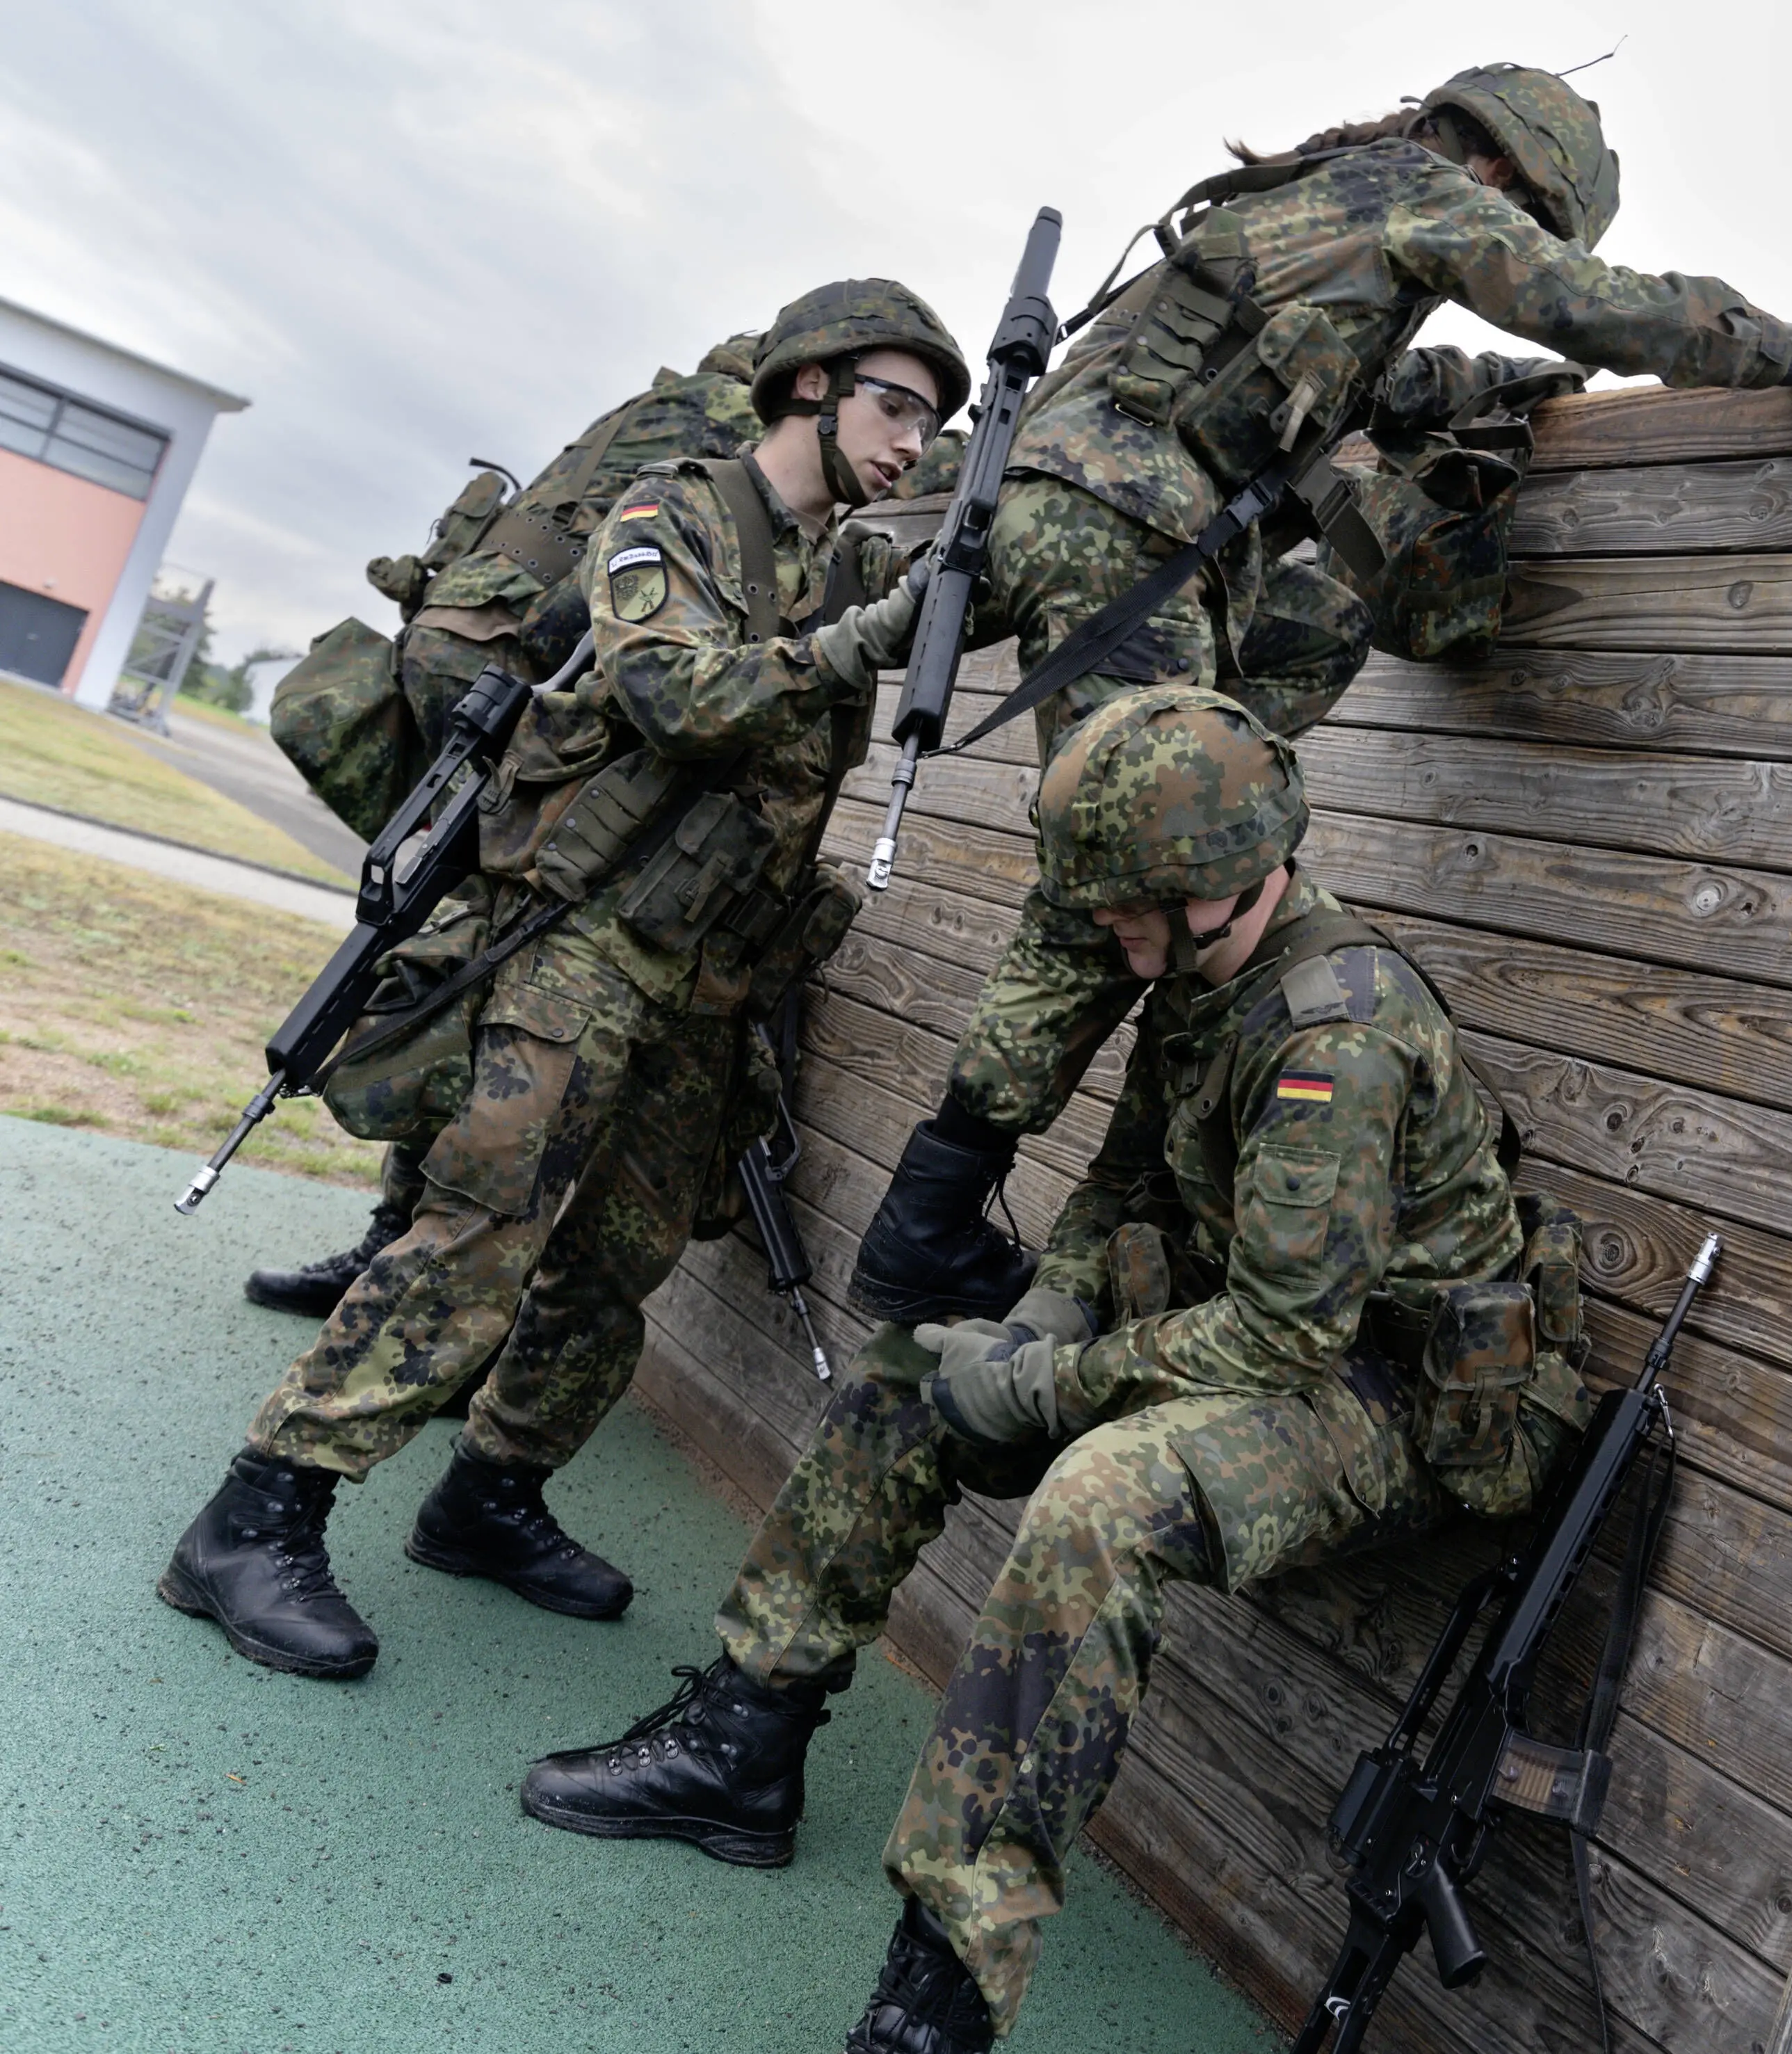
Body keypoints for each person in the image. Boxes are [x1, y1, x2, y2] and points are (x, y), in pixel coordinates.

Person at [523, 689, 1584, 2051]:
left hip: (1409, 1406)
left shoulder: (1339, 1035)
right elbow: (1116, 1191)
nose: (1097, 930)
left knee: (1101, 1500)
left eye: (1121, 903)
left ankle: (941, 1997)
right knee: (909, 1372)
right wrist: (1038, 1321)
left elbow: (1282, 1337)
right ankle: (742, 1740)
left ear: (1216, 884)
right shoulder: (1200, 979)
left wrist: (1037, 1393)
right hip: (1276, 1343)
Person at [846, 59, 1792, 1334]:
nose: (1515, 238)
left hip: (1095, 513)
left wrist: (1497, 385)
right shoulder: (1422, 191)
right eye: (1527, 219)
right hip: (1124, 526)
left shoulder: (1317, 204)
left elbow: (1354, 385)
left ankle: (1018, 1218)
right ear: (1504, 168)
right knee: (1134, 887)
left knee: (1307, 642)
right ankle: (925, 1232)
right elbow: (1597, 306)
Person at [159, 280, 969, 1682]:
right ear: (807, 388)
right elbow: (680, 697)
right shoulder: (674, 512)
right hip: (583, 941)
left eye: (933, 421)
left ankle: (490, 1497)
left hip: (707, 976)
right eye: (894, 405)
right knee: (479, 1232)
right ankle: (256, 1517)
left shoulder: (839, 567)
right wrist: (865, 643)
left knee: (621, 1259)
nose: (913, 443)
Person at [245, 331, 769, 1321]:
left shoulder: (643, 410)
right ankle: (404, 1259)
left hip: (458, 687)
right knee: (477, 988)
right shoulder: (736, 442)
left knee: (456, 970)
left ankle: (394, 1250)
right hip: (529, 715)